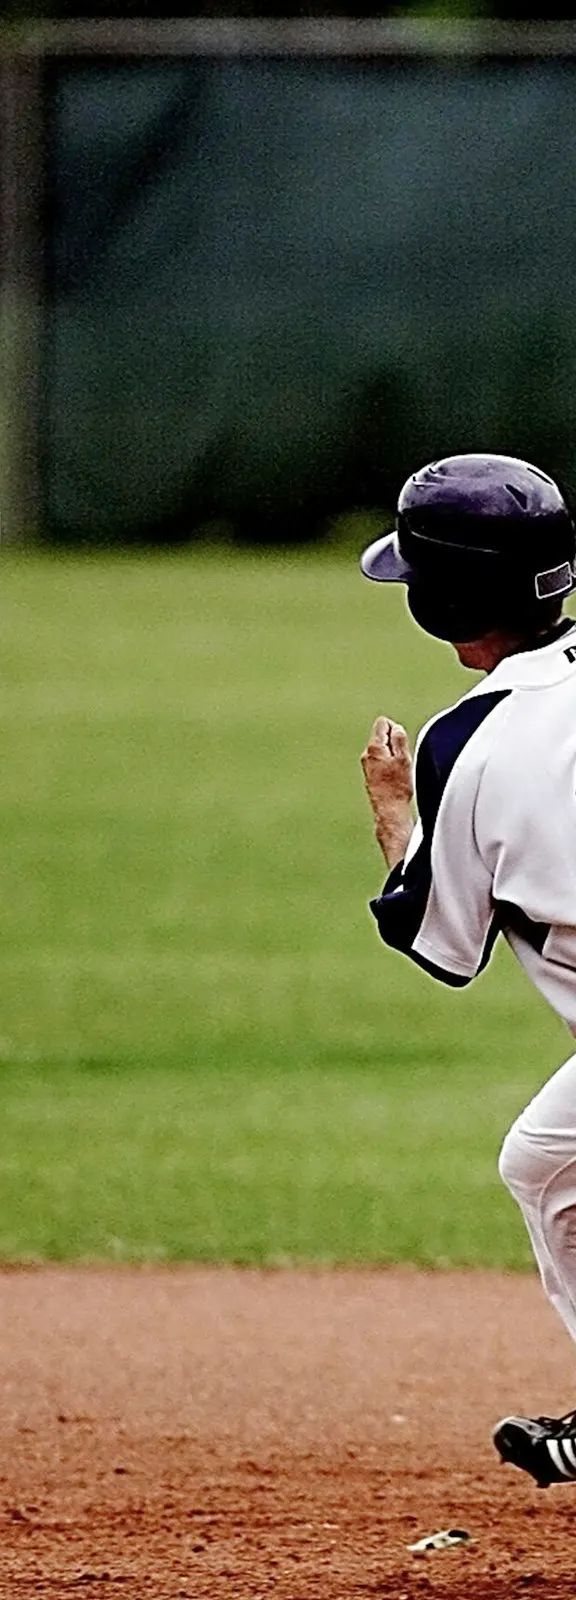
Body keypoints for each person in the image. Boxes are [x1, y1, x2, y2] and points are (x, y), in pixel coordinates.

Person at [360, 452, 576, 1487]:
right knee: (544, 1157)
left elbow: (441, 941)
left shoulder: (470, 740)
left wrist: (399, 821)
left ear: (444, 600)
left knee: (545, 1166)